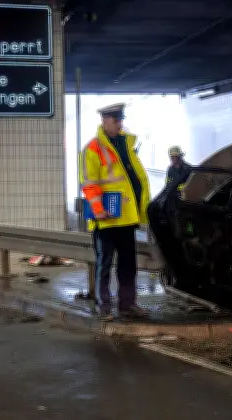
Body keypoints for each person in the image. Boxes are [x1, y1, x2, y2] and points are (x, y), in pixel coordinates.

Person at [80, 103, 151, 321]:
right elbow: (89, 183)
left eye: (121, 120)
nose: (120, 124)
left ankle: (127, 304)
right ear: (104, 121)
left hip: (126, 218)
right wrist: (98, 210)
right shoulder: (93, 148)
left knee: (128, 266)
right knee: (104, 265)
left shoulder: (126, 144)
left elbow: (133, 179)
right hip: (106, 220)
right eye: (116, 120)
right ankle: (104, 307)